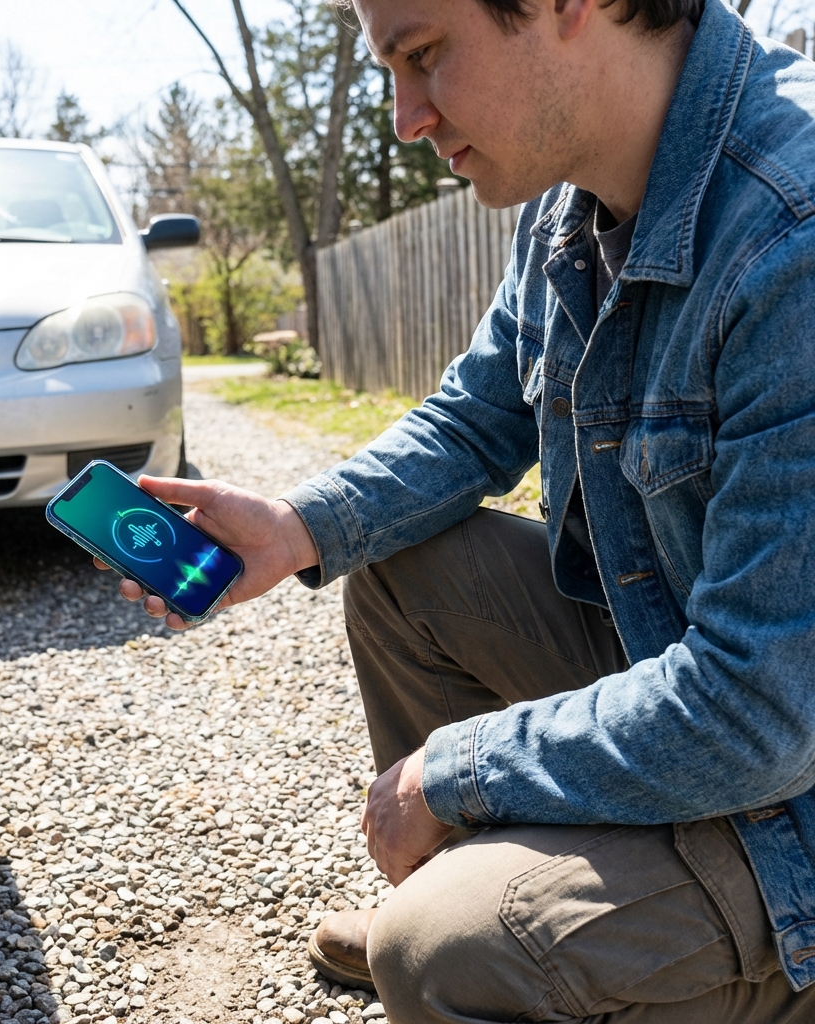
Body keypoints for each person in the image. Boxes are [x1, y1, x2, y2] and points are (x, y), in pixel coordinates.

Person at [104, 0, 815, 1018]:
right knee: (403, 572)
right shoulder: (568, 197)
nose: (404, 116)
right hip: (712, 693)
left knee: (443, 959)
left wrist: (454, 771)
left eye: (424, 55)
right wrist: (295, 527)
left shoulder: (790, 238)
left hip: (790, 795)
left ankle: (500, 936)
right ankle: (501, 897)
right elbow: (478, 414)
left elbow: (760, 713)